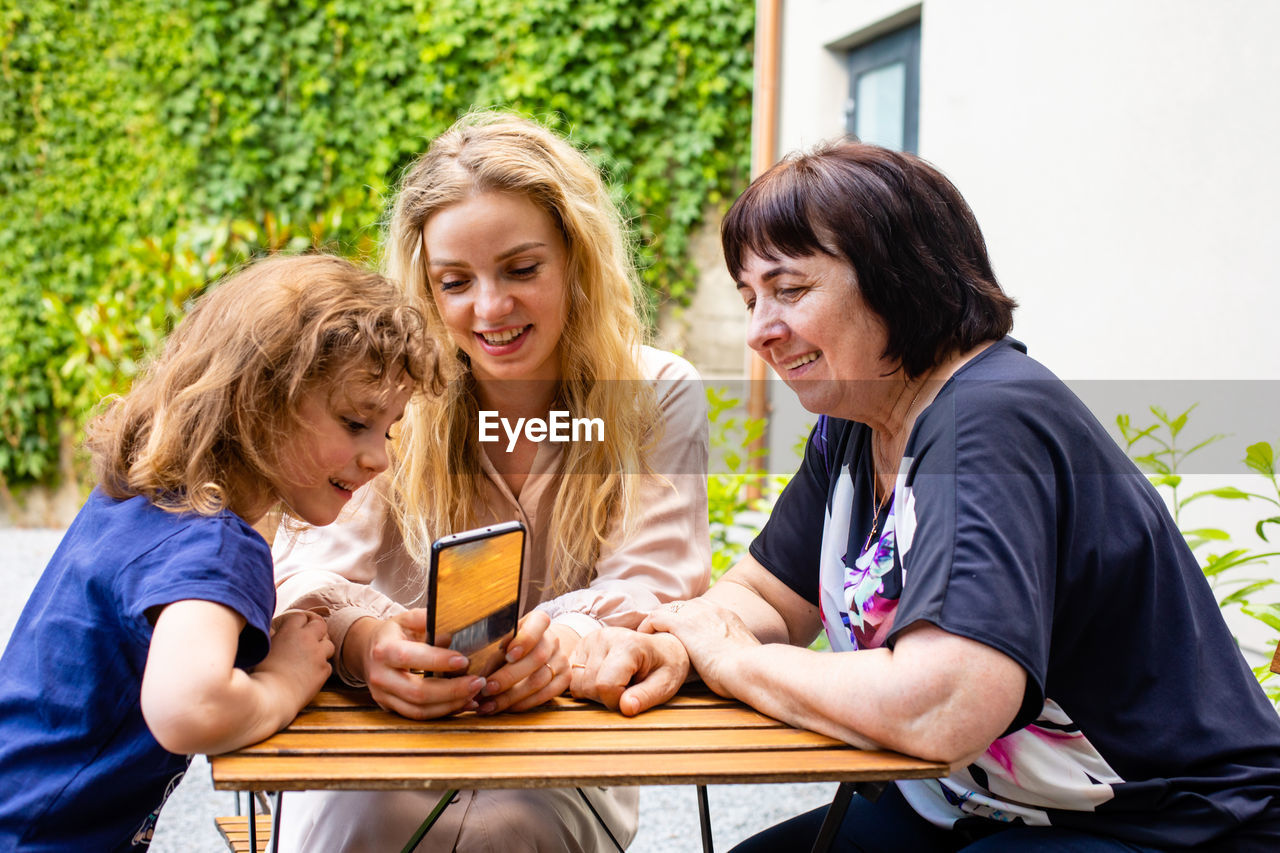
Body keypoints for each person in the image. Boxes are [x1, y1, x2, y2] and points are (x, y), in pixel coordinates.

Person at [568, 140, 1280, 851]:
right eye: (750, 298)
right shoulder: (857, 424)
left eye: (790, 290)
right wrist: (681, 645)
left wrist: (737, 662)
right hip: (982, 807)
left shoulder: (987, 420)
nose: (760, 331)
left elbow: (947, 701)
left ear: (897, 277)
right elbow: (764, 597)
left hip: (1170, 822)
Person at [270, 110, 711, 852]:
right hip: (381, 736)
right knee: (368, 820)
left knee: (510, 827)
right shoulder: (383, 397)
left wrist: (565, 643)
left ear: (576, 259)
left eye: (521, 268)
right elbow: (305, 575)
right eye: (454, 281)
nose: (490, 308)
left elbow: (657, 589)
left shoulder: (657, 393)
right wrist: (369, 645)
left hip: (564, 740)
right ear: (424, 287)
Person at [0, 254, 440, 851]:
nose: (379, 458)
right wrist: (282, 683)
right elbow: (189, 707)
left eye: (386, 430)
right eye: (355, 422)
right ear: (257, 401)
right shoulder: (213, 543)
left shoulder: (145, 501)